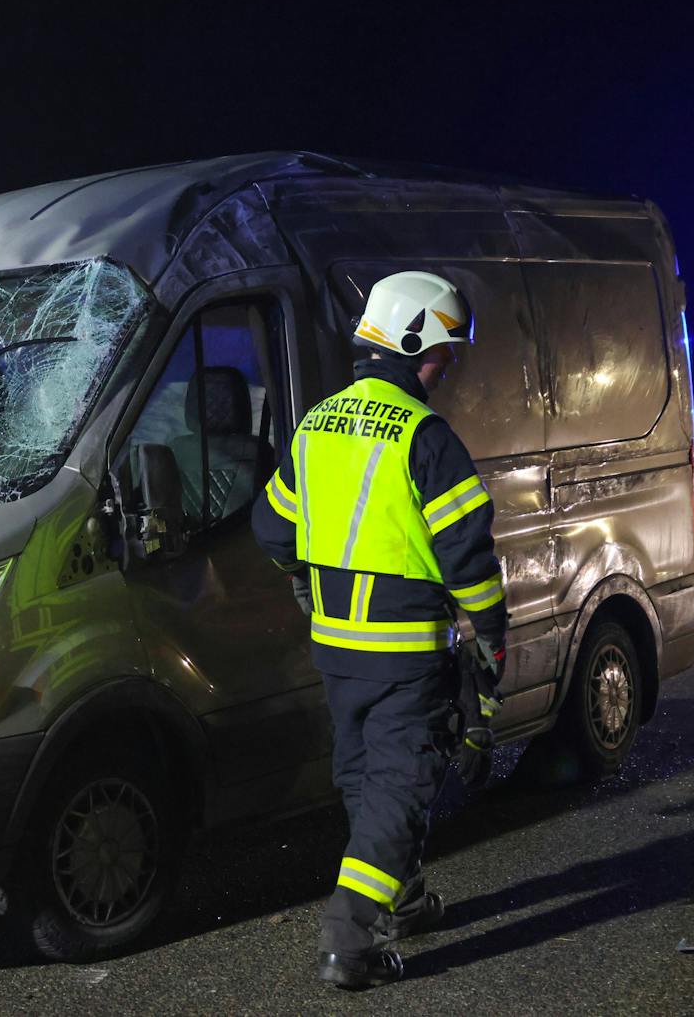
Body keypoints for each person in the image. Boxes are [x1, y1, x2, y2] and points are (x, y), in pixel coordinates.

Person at [251, 271, 507, 989]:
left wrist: (308, 580)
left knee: (366, 780)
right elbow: (470, 559)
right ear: (411, 340)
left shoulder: (318, 423)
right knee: (399, 787)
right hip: (406, 655)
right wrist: (491, 637)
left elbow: (273, 528)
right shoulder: (426, 437)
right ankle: (347, 939)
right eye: (443, 353)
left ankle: (405, 898)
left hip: (336, 651)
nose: (446, 368)